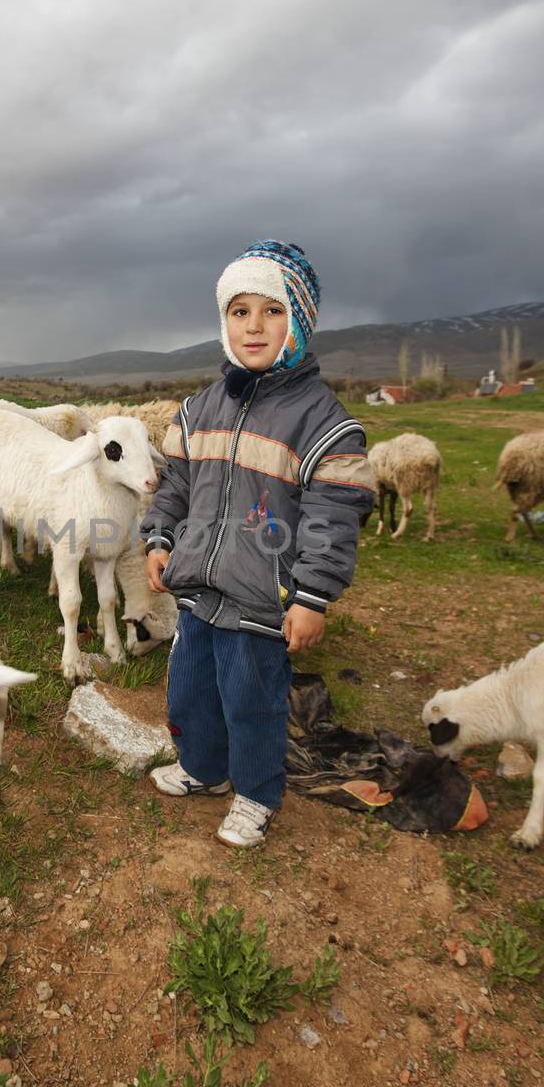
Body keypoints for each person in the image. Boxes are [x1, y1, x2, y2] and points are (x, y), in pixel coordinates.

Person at [141, 240, 375, 848]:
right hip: (197, 591)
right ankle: (203, 770)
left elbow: (332, 517)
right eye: (239, 311)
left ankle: (255, 793)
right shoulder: (199, 411)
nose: (253, 326)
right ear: (224, 323)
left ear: (297, 320)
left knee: (253, 700)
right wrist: (160, 540)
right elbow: (176, 487)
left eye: (271, 311)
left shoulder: (325, 424)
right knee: (191, 689)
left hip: (263, 600)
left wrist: (312, 596)